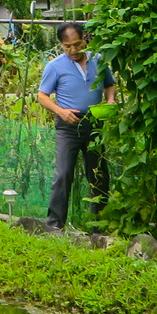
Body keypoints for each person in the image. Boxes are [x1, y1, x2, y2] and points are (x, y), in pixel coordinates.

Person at [36, 22, 114, 229]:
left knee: (98, 174)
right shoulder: (55, 66)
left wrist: (111, 101)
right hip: (68, 125)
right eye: (67, 46)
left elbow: (109, 84)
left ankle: (100, 225)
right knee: (63, 174)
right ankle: (54, 225)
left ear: (85, 40)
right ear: (61, 45)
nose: (73, 50)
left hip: (95, 123)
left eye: (77, 44)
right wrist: (60, 111)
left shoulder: (99, 60)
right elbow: (42, 96)